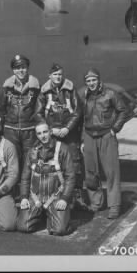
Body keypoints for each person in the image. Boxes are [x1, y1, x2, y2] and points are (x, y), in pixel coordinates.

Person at [81, 68, 129, 219]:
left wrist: (115, 128)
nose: (91, 83)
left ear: (99, 80)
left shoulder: (110, 94)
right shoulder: (84, 95)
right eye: (88, 81)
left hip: (106, 135)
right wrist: (82, 139)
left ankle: (114, 205)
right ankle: (96, 203)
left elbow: (123, 110)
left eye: (93, 80)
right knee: (90, 173)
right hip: (89, 135)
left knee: (112, 172)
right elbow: (82, 118)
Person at [38, 63, 87, 209]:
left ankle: (77, 196)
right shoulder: (44, 92)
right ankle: (56, 194)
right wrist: (50, 130)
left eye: (59, 74)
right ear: (49, 76)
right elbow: (38, 113)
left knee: (74, 162)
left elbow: (78, 111)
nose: (58, 77)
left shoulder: (70, 90)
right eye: (55, 75)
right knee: (54, 163)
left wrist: (67, 128)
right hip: (52, 134)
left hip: (69, 134)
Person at [16, 121, 75, 235]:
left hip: (56, 196)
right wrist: (23, 197)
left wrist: (64, 198)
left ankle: (54, 216)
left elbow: (70, 177)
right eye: (39, 133)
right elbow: (25, 177)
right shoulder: (32, 151)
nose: (43, 136)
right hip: (36, 196)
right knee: (23, 227)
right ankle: (41, 214)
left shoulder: (63, 149)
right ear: (36, 135)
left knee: (60, 230)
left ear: (50, 132)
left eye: (45, 132)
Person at [1, 54, 42, 191]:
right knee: (12, 162)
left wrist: (37, 126)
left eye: (23, 67)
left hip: (29, 130)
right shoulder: (6, 88)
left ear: (27, 68)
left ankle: (29, 192)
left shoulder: (35, 87)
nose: (21, 71)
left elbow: (39, 108)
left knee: (29, 162)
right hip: (10, 130)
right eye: (17, 68)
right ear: (13, 70)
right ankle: (13, 193)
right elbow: (1, 108)